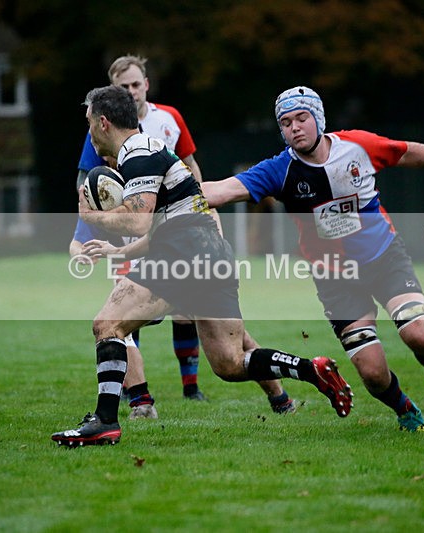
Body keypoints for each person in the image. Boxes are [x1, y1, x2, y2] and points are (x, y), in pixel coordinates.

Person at [51, 85, 353, 447]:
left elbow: (138, 220)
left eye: (88, 125)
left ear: (103, 123)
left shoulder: (138, 151)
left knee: (107, 325)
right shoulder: (151, 152)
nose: (88, 134)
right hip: (210, 251)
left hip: (183, 253)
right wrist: (118, 253)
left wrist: (90, 215)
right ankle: (311, 369)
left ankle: (104, 422)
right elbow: (164, 223)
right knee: (229, 363)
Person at [202, 86, 424, 432]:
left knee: (419, 334)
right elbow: (222, 190)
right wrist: (171, 190)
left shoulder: (356, 146)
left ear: (318, 119)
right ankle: (404, 408)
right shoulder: (279, 170)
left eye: (302, 118)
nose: (295, 127)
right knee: (373, 374)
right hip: (336, 280)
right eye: (286, 123)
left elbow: (406, 152)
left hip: (383, 258)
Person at [71, 55, 296, 415]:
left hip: (175, 244)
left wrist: (91, 218)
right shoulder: (114, 138)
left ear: (145, 84)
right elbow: (99, 183)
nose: (131, 91)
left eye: (134, 84)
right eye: (123, 86)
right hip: (172, 238)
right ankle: (298, 376)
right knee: (222, 353)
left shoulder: (155, 133)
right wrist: (99, 240)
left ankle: (118, 413)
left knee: (113, 322)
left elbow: (176, 182)